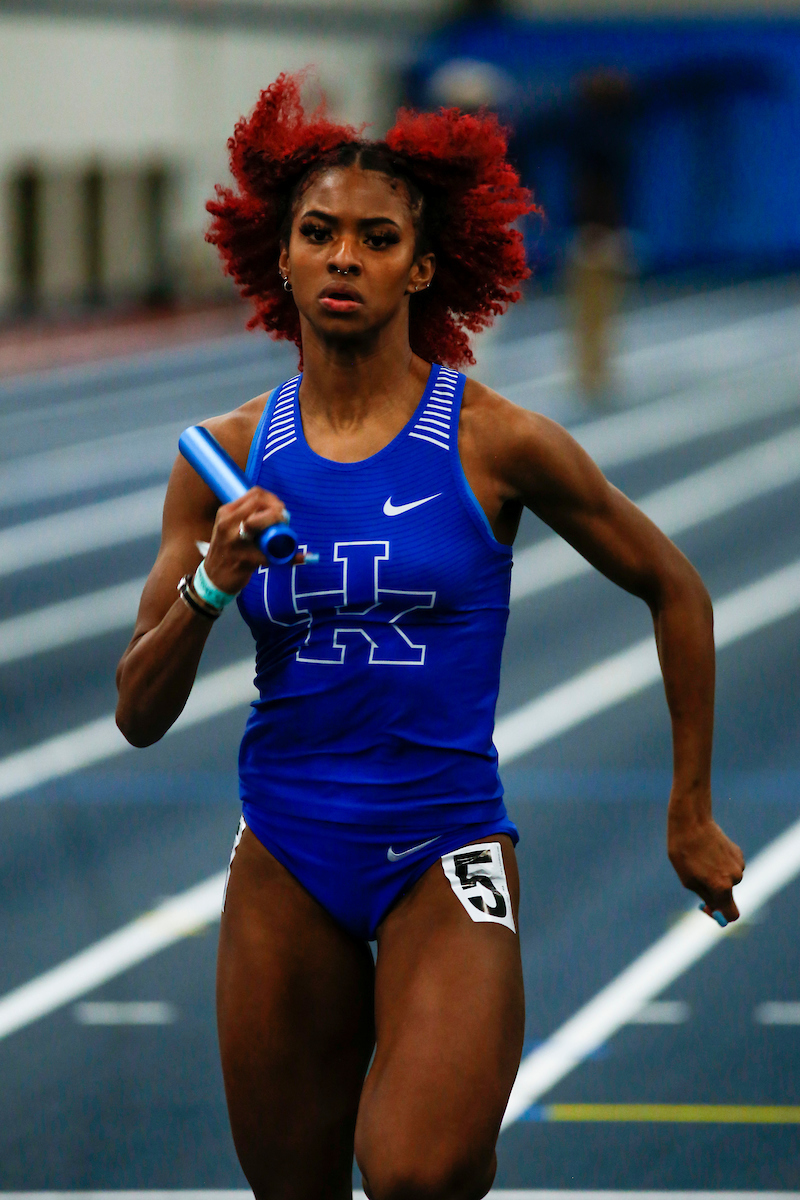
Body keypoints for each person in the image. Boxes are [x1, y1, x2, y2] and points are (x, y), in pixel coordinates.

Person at [115, 75, 744, 1200]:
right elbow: (137, 713)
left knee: (416, 1173)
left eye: (373, 237)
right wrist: (212, 582)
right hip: (287, 853)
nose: (343, 257)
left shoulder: (494, 442)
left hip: (442, 850)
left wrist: (688, 810)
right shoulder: (219, 457)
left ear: (420, 265)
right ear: (282, 257)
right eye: (318, 234)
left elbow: (675, 589)